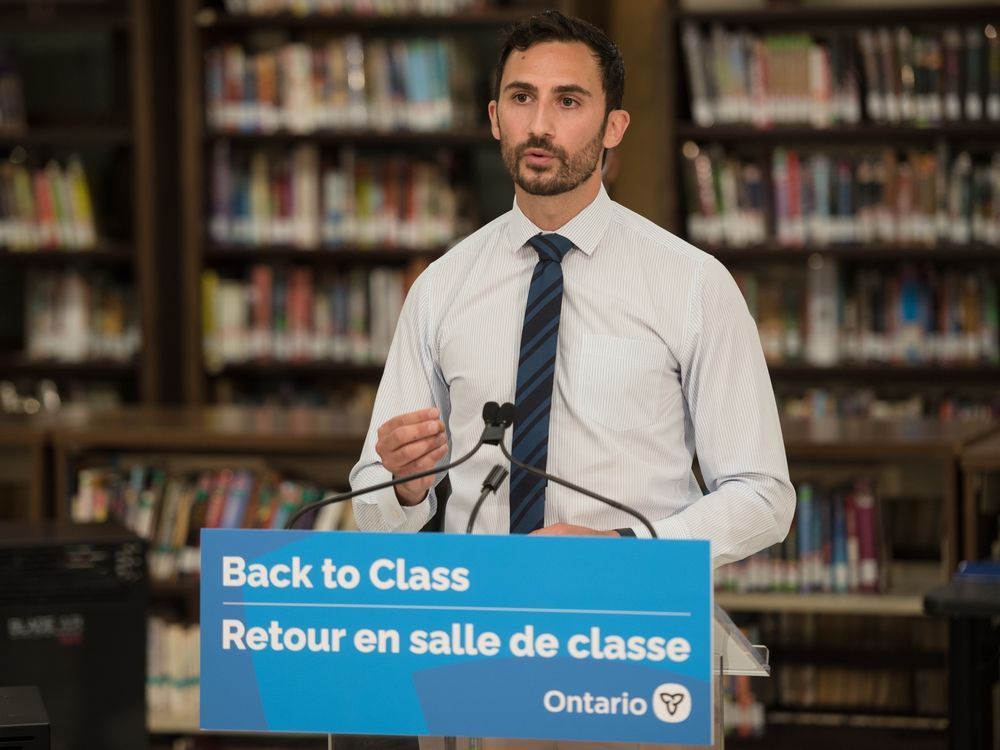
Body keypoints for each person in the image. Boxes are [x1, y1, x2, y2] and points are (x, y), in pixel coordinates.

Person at [349, 10, 794, 568]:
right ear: (494, 118)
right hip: (481, 622)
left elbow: (763, 498)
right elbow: (372, 504)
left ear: (614, 127)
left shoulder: (693, 284)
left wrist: (623, 551)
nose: (539, 125)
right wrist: (402, 489)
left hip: (631, 618)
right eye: (520, 98)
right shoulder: (441, 286)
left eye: (568, 101)